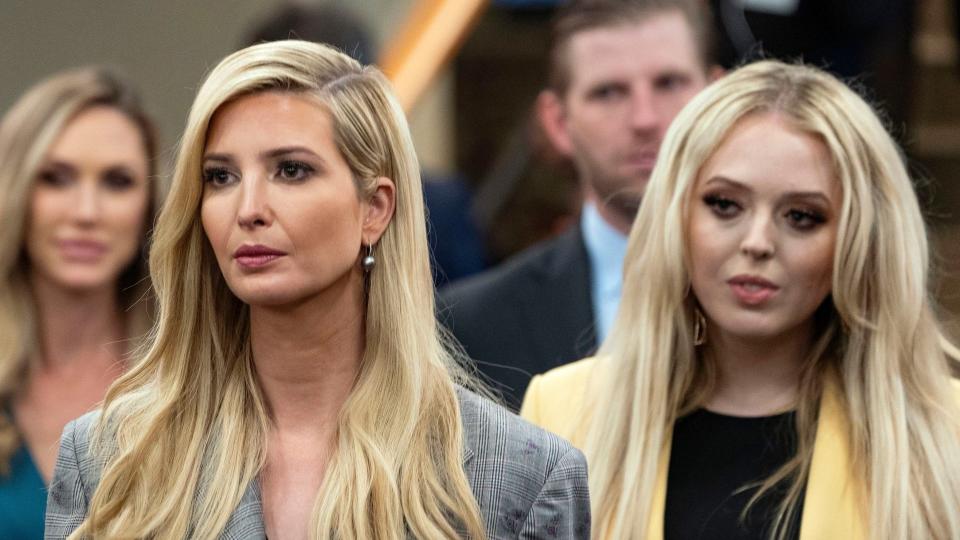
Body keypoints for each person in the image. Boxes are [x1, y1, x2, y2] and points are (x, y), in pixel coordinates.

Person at [45, 41, 590, 539]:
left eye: (290, 170)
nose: (249, 209)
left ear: (374, 208)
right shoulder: (110, 457)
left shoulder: (521, 476)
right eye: (220, 177)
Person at [521, 60, 960, 539]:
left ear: (858, 241)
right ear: (676, 215)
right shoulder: (563, 411)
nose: (758, 241)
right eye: (725, 204)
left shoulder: (945, 434)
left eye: (802, 216)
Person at [440, 0, 720, 408]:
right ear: (557, 122)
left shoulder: (794, 299)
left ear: (717, 96)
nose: (644, 118)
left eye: (669, 83)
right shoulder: (470, 327)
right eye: (608, 92)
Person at [0, 67, 158, 538]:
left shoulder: (194, 382)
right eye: (56, 178)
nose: (86, 212)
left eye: (117, 182)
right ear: (16, 192)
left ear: (150, 205)